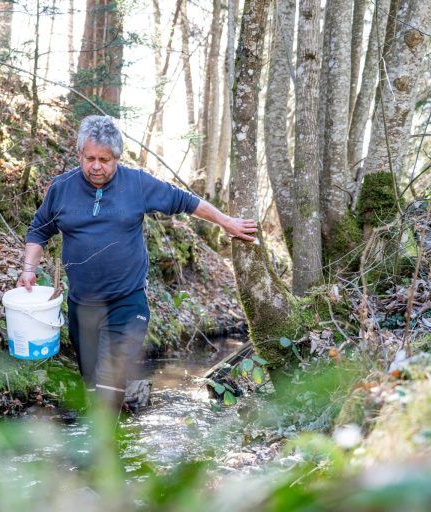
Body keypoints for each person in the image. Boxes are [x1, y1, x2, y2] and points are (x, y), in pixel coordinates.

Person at [17, 115, 257, 412]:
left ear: (116, 157)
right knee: (92, 384)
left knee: (108, 385)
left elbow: (185, 201)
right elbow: (39, 229)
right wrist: (28, 270)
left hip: (127, 303)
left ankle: (103, 445)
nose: (96, 166)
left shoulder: (137, 184)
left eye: (104, 159)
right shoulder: (62, 188)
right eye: (89, 158)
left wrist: (226, 221)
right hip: (83, 306)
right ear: (79, 154)